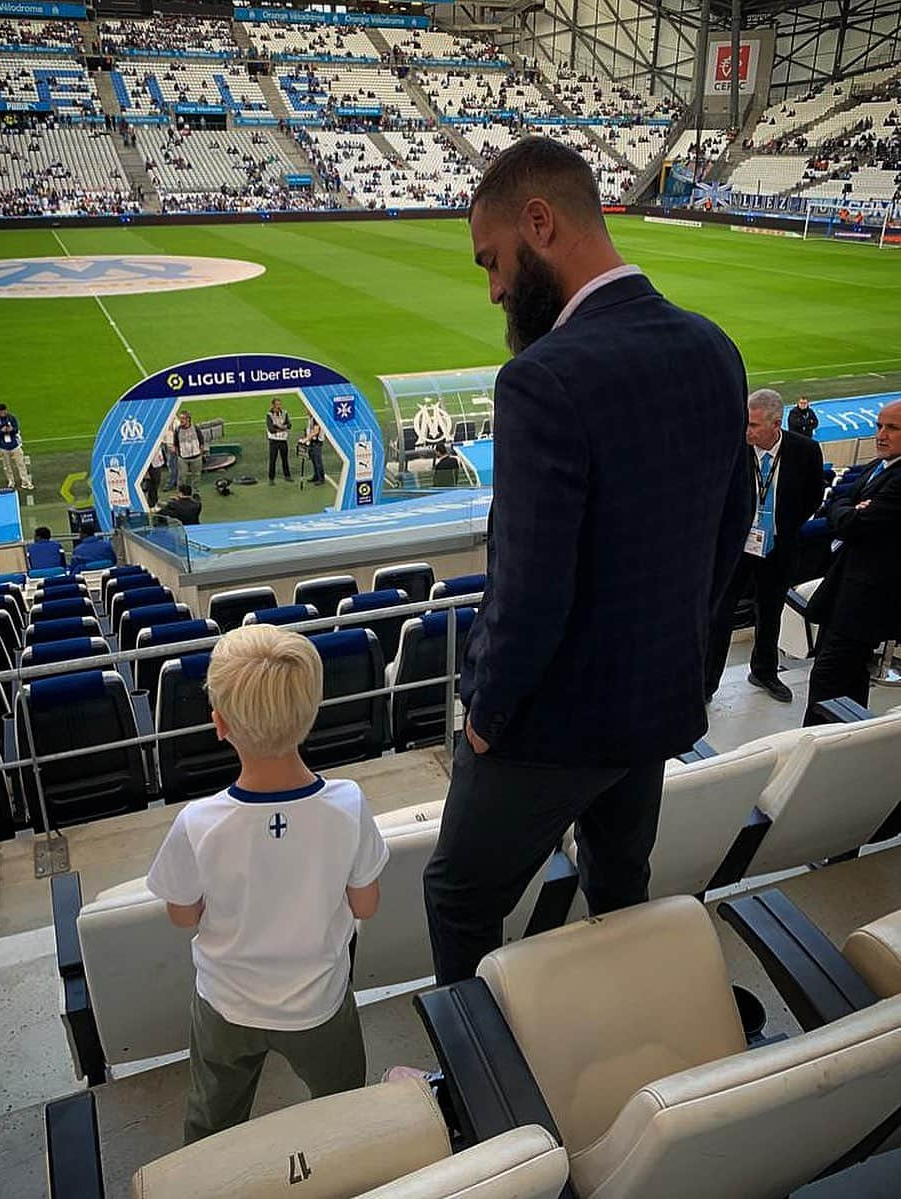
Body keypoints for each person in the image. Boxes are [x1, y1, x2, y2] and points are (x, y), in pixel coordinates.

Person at [422, 137, 752, 986]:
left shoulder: (542, 377)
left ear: (540, 222)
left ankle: (484, 1091)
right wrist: (676, 654)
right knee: (620, 881)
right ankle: (630, 1027)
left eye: (491, 260)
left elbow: (529, 591)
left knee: (457, 895)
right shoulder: (713, 346)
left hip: (549, 726)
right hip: (655, 706)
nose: (494, 286)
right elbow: (729, 529)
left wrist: (486, 715)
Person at [145, 624, 389, 1143]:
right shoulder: (347, 804)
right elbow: (365, 905)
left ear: (219, 723)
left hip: (225, 1004)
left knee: (214, 1114)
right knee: (342, 1099)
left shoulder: (198, 822)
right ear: (310, 714)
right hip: (318, 1003)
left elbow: (182, 914)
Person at [706, 389, 825, 704]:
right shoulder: (734, 449)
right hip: (736, 548)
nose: (748, 431)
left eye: (755, 425)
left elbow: (814, 495)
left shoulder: (806, 451)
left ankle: (764, 672)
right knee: (720, 614)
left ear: (776, 424)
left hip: (778, 547)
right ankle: (706, 683)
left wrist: (783, 527)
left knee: (771, 611)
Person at [803, 400, 901, 721]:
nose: (881, 435)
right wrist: (847, 506)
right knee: (849, 678)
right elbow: (841, 500)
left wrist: (845, 510)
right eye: (879, 426)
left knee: (828, 679)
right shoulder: (879, 466)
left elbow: (851, 523)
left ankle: (817, 756)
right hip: (847, 591)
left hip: (866, 601)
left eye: (892, 428)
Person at [0, 402, 33, 491]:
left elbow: (16, 429)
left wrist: (12, 430)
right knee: (7, 466)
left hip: (15, 445)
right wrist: (2, 431)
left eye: (4, 411)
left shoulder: (11, 418)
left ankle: (25, 481)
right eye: (0, 412)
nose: (2, 413)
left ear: (6, 410)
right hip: (3, 447)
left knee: (21, 464)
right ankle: (11, 481)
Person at [173, 410, 204, 494]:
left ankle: (195, 492)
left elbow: (201, 441)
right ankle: (180, 493)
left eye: (183, 418)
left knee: (196, 476)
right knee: (181, 477)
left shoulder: (196, 428)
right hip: (183, 458)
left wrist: (200, 453)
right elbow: (175, 444)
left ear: (188, 419)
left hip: (196, 457)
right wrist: (179, 455)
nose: (181, 420)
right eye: (180, 418)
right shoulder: (177, 430)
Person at [266, 398, 292, 484]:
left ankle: (287, 476)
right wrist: (282, 428)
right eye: (277, 404)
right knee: (272, 460)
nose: (279, 406)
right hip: (273, 441)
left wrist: (278, 427)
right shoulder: (269, 415)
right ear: (273, 405)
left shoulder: (284, 413)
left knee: (285, 459)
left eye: (280, 404)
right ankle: (271, 479)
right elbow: (271, 429)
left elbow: (289, 425)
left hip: (283, 440)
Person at [299, 414, 325, 485]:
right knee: (314, 460)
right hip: (311, 442)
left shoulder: (316, 418)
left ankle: (321, 478)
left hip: (316, 443)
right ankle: (316, 476)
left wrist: (306, 439)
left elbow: (316, 431)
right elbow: (309, 430)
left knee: (318, 461)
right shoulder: (310, 418)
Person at [143, 443, 166, 509]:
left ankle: (155, 500)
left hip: (157, 461)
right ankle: (151, 504)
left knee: (156, 482)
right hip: (147, 462)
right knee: (150, 484)